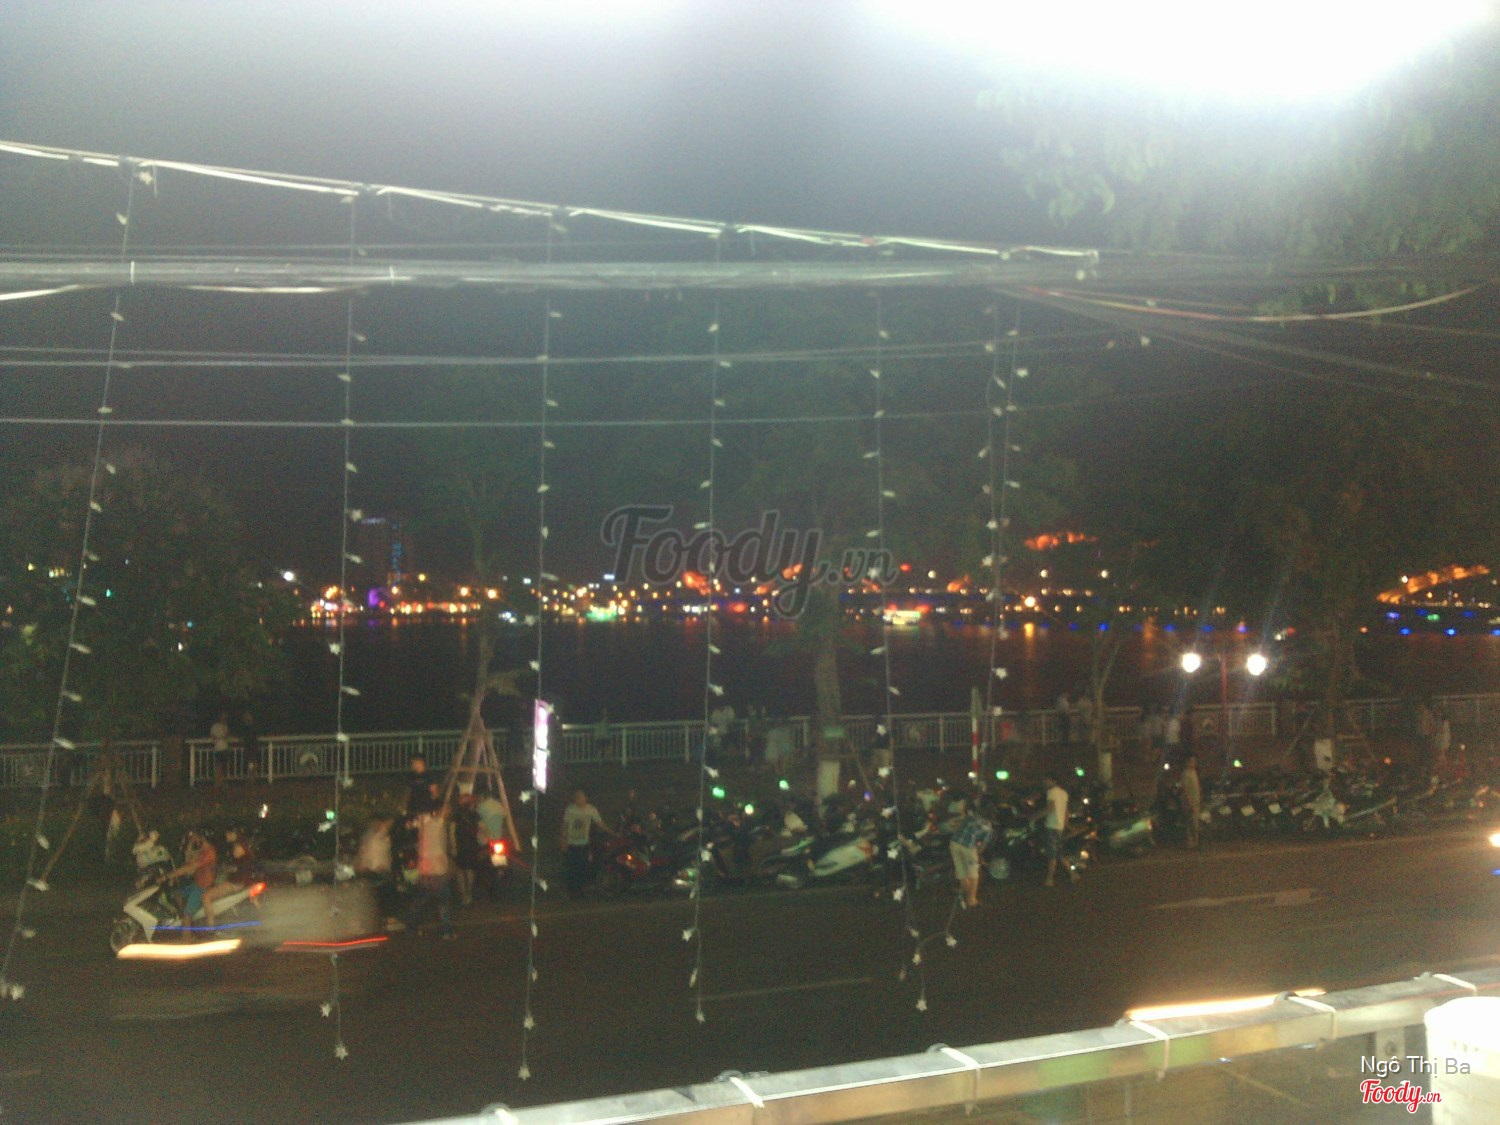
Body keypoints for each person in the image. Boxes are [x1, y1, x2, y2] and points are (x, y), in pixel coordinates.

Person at [404, 782, 456, 939]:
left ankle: (411, 928)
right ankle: (446, 931)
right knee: (443, 902)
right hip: (437, 869)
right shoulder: (436, 824)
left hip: (426, 868)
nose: (449, 811)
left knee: (421, 900)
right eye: (447, 808)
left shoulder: (425, 824)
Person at [560, 789, 610, 897]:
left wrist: (611, 832)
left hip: (584, 844)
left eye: (580, 796)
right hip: (571, 843)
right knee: (571, 868)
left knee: (582, 867)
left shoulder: (591, 810)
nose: (577, 799)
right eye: (576, 796)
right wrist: (563, 841)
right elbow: (565, 826)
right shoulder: (570, 809)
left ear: (585, 798)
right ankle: (571, 891)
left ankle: (580, 891)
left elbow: (600, 823)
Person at [169, 829, 219, 930]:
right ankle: (188, 918)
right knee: (176, 894)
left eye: (197, 838)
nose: (196, 840)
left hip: (202, 887)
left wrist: (169, 876)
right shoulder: (202, 851)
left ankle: (186, 935)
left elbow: (190, 867)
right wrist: (190, 844)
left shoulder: (209, 853)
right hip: (196, 883)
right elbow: (188, 860)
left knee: (186, 917)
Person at [949, 798, 993, 908]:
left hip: (954, 844)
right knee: (973, 875)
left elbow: (957, 826)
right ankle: (971, 900)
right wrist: (978, 854)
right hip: (968, 847)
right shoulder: (988, 826)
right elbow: (983, 845)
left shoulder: (970, 817)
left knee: (962, 873)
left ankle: (966, 894)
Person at [1040, 774, 1077, 886]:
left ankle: (1050, 879)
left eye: (1047, 780)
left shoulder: (1051, 792)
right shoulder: (1064, 793)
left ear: (1053, 781)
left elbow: (1050, 808)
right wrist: (1066, 824)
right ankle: (1072, 874)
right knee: (1059, 853)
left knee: (1052, 854)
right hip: (1060, 827)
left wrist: (1035, 816)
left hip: (1051, 826)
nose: (1045, 782)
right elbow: (1066, 811)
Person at [451, 791, 484, 907]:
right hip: (472, 845)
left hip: (460, 845)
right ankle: (469, 893)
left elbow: (452, 832)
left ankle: (463, 895)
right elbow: (482, 828)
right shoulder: (475, 814)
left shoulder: (456, 815)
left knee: (460, 871)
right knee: (470, 870)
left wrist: (453, 847)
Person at [1181, 752, 1202, 850]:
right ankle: (1190, 842)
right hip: (1190, 802)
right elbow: (1185, 789)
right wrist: (1189, 802)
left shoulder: (1194, 772)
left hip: (1196, 800)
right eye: (1192, 761)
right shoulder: (1186, 773)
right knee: (1190, 822)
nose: (1194, 763)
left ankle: (1196, 842)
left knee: (1196, 822)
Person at [209, 711, 231, 784]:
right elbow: (212, 736)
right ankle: (217, 782)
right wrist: (218, 739)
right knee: (218, 765)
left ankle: (221, 781)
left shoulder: (225, 727)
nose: (224, 718)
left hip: (225, 747)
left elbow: (227, 736)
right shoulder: (215, 726)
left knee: (224, 766)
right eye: (223, 716)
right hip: (218, 748)